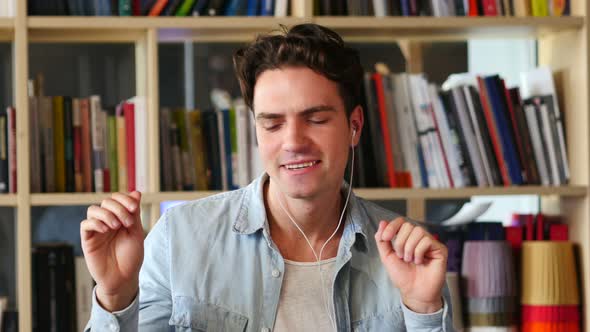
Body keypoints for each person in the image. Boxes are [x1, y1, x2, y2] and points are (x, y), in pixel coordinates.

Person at [81, 23, 453, 331]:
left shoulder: (409, 255)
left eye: (317, 119)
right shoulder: (178, 237)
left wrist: (423, 309)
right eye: (273, 123)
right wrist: (115, 297)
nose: (293, 142)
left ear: (354, 126)